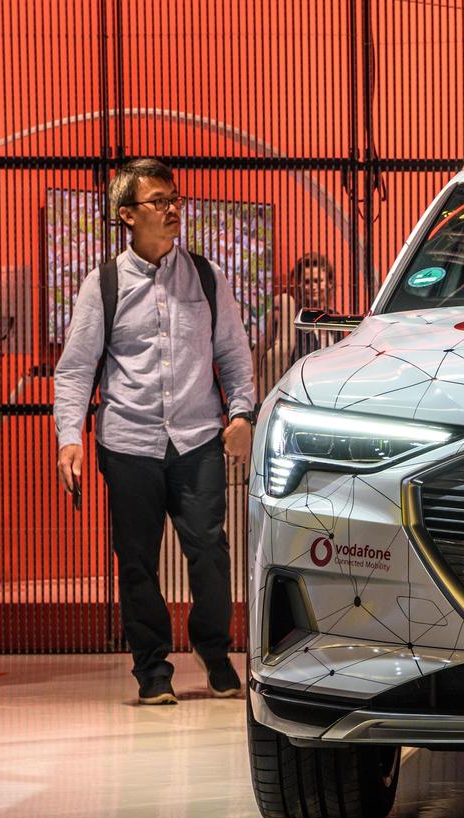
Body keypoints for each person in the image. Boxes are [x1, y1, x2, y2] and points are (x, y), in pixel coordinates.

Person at [53, 158, 256, 705]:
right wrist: (68, 438)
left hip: (196, 440)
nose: (172, 209)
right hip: (128, 442)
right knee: (136, 559)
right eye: (158, 201)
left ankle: (214, 651)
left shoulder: (208, 277)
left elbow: (234, 356)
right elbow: (75, 368)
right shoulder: (105, 284)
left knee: (209, 551)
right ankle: (153, 671)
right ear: (126, 214)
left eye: (174, 199)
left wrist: (242, 415)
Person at [258, 251, 337, 397]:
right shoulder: (290, 319)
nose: (312, 287)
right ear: (299, 285)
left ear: (329, 283)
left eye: (317, 281)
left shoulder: (337, 319)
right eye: (307, 282)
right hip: (298, 395)